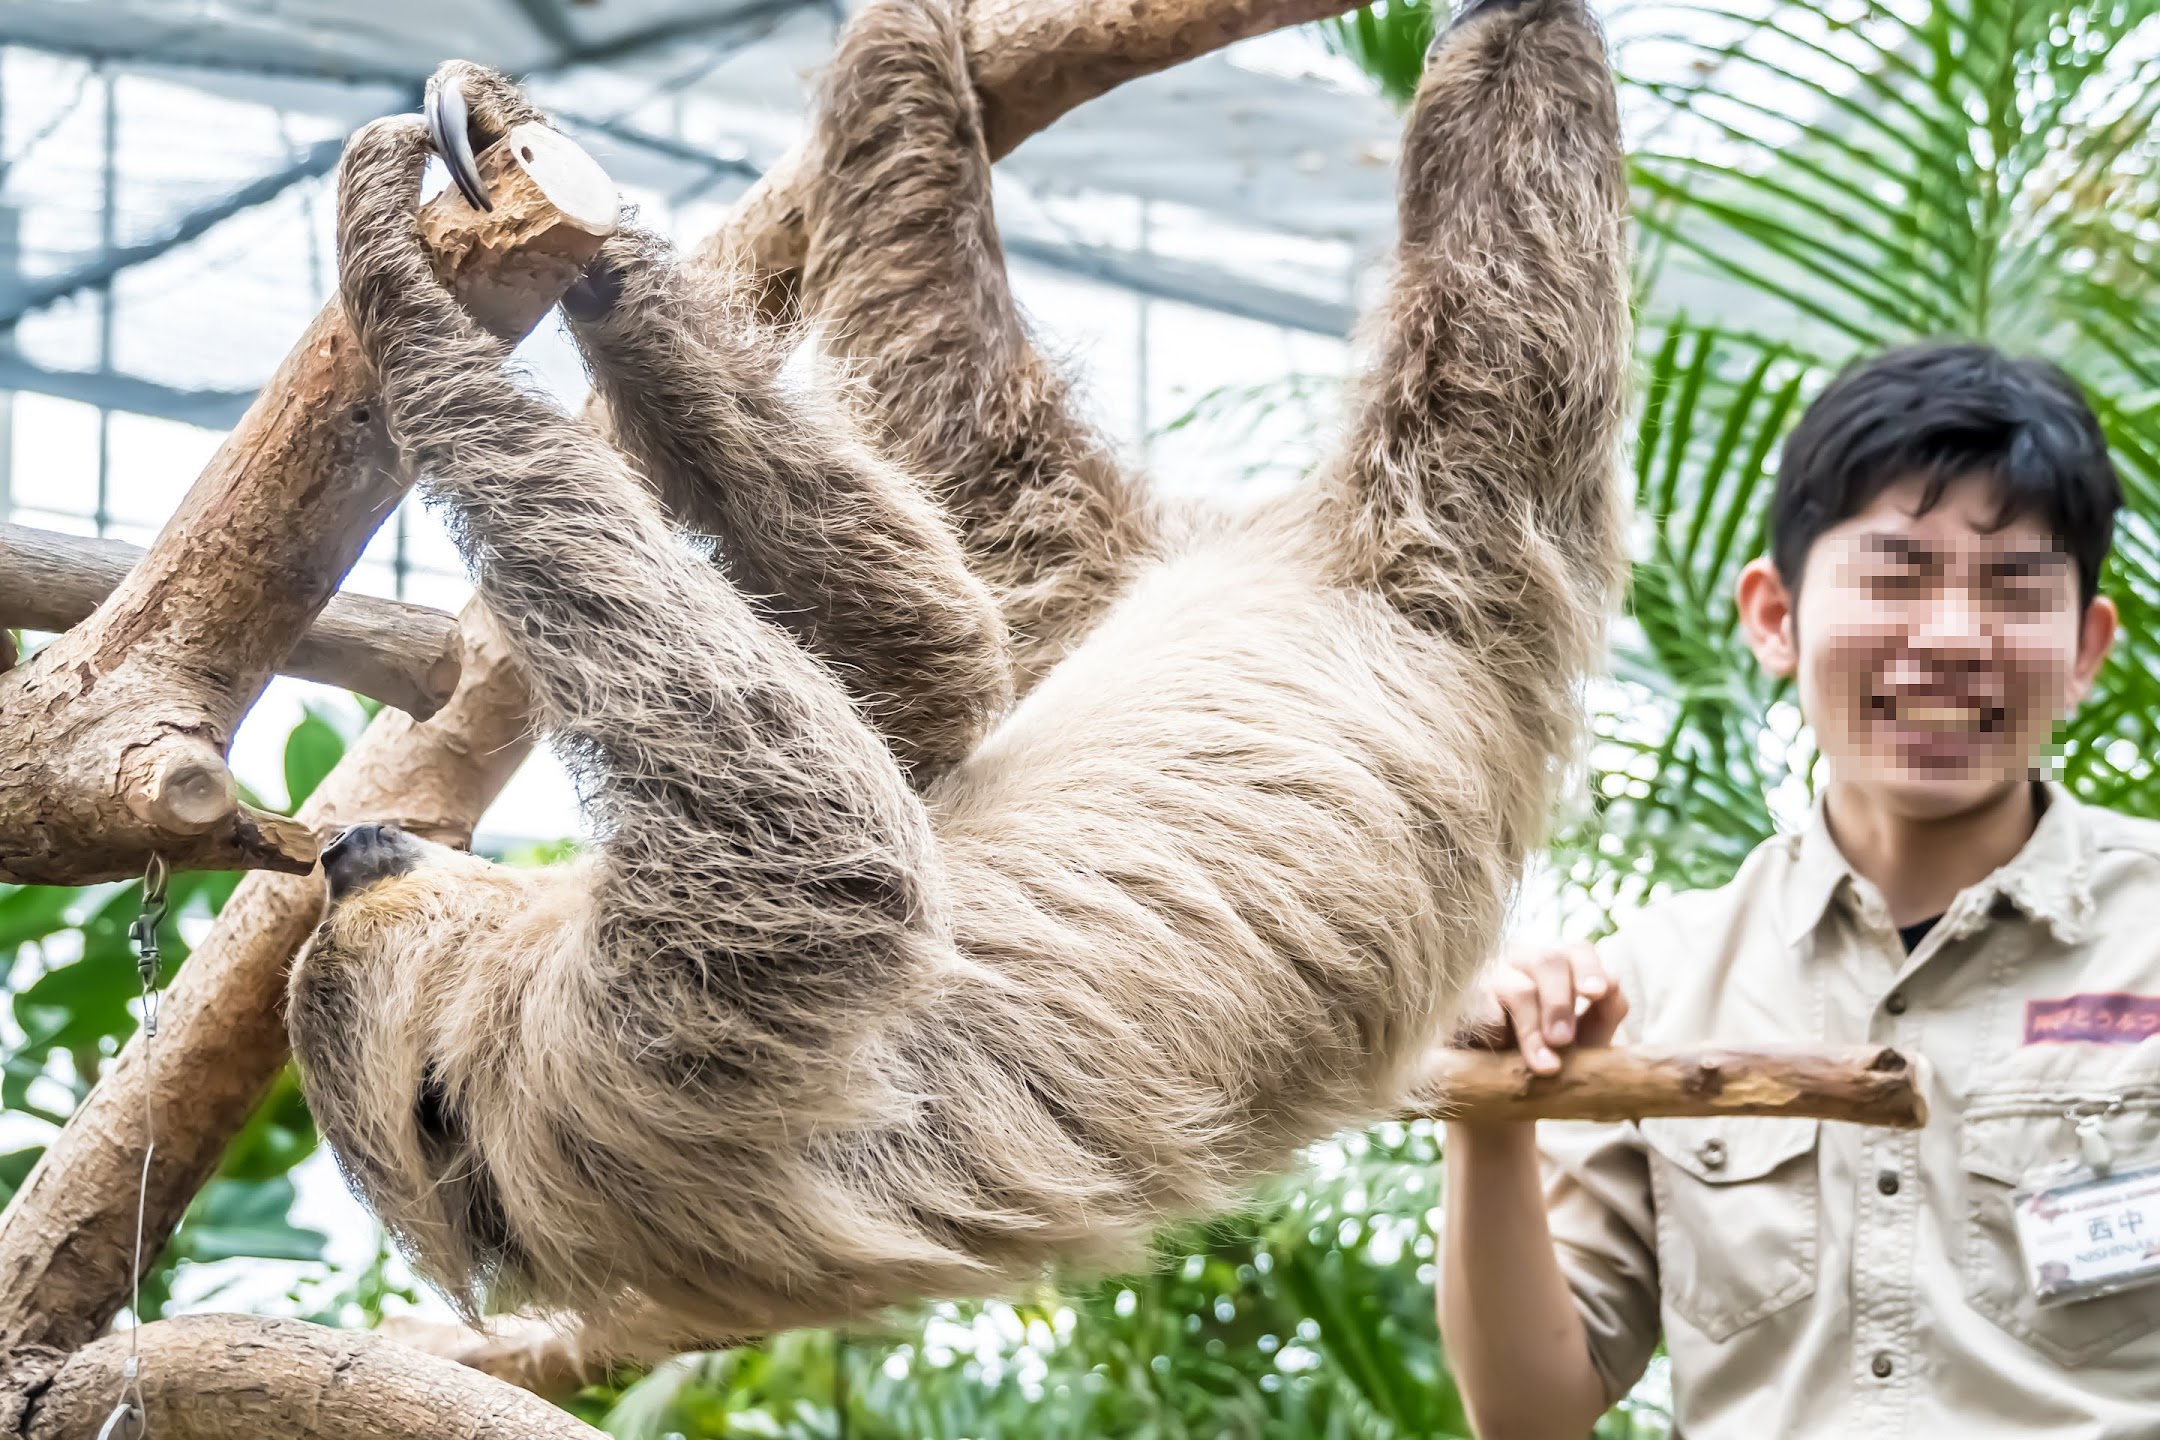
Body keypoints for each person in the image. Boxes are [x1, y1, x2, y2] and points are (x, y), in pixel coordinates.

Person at [1437, 342, 2160, 1437]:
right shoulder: (1658, 979)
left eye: (2015, 588)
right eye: (1897, 576)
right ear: (1775, 616)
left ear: (2084, 649)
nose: (1954, 636)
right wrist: (1490, 1119)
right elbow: (1533, 1410)